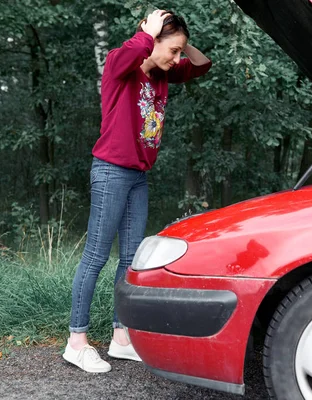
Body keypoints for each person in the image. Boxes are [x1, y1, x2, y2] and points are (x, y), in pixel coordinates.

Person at [63, 9, 212, 373]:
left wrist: (181, 40)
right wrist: (148, 33)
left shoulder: (164, 73)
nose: (176, 59)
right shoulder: (120, 63)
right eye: (172, 49)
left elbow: (203, 65)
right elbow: (130, 56)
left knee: (130, 261)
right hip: (111, 172)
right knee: (96, 256)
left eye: (179, 51)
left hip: (137, 177)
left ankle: (120, 338)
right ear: (152, 39)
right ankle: (76, 341)